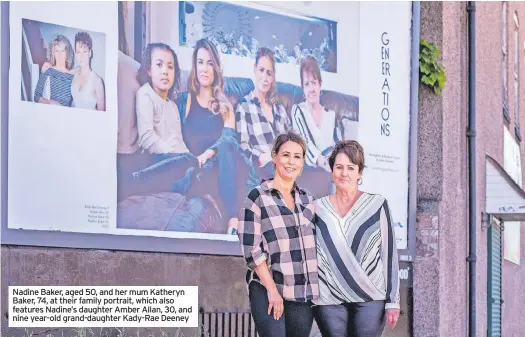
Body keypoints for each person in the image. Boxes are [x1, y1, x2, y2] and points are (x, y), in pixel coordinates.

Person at [312, 140, 400, 337]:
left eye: (351, 168)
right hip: (329, 296)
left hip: (370, 296)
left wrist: (393, 300)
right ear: (331, 170)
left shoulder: (377, 205)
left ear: (359, 173)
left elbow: (389, 254)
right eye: (339, 167)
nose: (344, 173)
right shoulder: (317, 208)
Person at [237, 131, 319, 337]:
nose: (291, 162)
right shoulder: (257, 197)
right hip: (267, 288)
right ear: (274, 157)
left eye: (297, 156)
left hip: (301, 293)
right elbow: (252, 251)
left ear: (302, 162)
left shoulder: (308, 201)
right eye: (285, 155)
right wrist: (273, 291)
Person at [182, 38, 256, 231]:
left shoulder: (225, 107)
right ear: (194, 66)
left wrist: (209, 153)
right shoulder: (186, 100)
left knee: (227, 145)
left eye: (209, 63)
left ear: (216, 68)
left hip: (224, 166)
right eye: (200, 62)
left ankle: (233, 218)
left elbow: (229, 141)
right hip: (201, 170)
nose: (204, 69)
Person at [128, 42, 198, 198]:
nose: (165, 71)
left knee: (196, 167)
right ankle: (141, 180)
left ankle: (186, 180)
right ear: (149, 70)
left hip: (177, 161)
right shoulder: (145, 94)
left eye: (170, 67)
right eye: (159, 65)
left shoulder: (172, 106)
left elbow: (178, 141)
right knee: (184, 167)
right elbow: (146, 137)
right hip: (156, 159)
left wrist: (187, 157)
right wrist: (174, 154)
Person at [291, 56, 344, 198]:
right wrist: (323, 162)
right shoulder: (298, 111)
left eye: (314, 83)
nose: (311, 89)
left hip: (333, 170)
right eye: (307, 84)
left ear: (320, 84)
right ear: (303, 88)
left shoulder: (331, 115)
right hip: (313, 173)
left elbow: (341, 145)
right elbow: (303, 143)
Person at [236, 47, 291, 180]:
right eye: (261, 70)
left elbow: (291, 139)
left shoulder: (279, 109)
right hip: (263, 170)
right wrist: (261, 157)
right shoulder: (244, 106)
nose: (265, 77)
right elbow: (242, 147)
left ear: (273, 77)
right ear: (255, 69)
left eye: (269, 73)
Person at [34, 34, 75, 107]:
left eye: (62, 51)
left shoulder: (72, 76)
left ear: (67, 53)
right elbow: (36, 96)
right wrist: (49, 102)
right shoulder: (47, 70)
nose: (59, 54)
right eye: (56, 51)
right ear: (53, 54)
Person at [70, 31, 106, 111]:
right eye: (78, 52)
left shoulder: (97, 81)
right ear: (75, 54)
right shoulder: (74, 72)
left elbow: (101, 114)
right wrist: (49, 66)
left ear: (90, 53)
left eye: (85, 51)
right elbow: (60, 71)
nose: (81, 56)